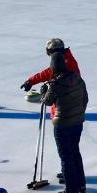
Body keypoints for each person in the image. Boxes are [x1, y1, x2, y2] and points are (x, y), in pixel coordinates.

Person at [22, 38, 81, 185]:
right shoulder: (68, 61)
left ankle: (71, 180)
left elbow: (48, 96)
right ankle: (73, 175)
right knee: (72, 150)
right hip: (75, 113)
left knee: (67, 152)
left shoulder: (66, 65)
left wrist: (41, 89)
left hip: (63, 115)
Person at [41, 49, 89, 193]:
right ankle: (81, 184)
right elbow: (85, 99)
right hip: (77, 122)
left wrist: (43, 92)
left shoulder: (55, 84)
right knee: (75, 151)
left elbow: (47, 101)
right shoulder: (77, 78)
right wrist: (79, 113)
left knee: (66, 157)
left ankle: (72, 190)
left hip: (62, 124)